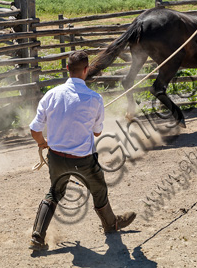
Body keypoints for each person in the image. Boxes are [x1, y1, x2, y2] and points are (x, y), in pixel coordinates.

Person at [28, 50, 136, 251]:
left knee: (55, 192)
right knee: (99, 189)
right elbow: (97, 133)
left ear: (67, 69)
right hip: (83, 160)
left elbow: (34, 129)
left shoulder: (51, 95)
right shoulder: (94, 98)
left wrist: (43, 143)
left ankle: (37, 236)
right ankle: (111, 224)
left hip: (56, 158)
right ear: (86, 70)